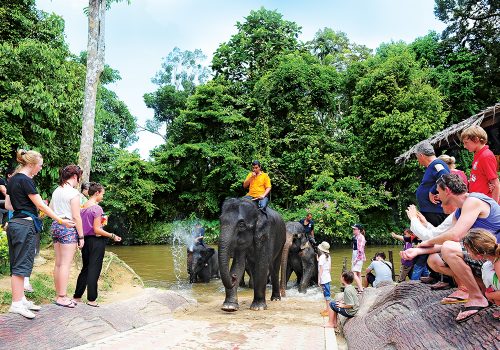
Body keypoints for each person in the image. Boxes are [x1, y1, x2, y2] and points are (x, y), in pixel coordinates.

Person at [402, 174, 500, 322]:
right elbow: (449, 239)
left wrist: (427, 242)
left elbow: (454, 236)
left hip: (496, 256)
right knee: (434, 259)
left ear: (447, 190)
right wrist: (418, 250)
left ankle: (477, 297)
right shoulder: (460, 211)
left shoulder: (473, 201)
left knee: (448, 249)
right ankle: (483, 291)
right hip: (484, 258)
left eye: (438, 192)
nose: (437, 196)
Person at [4, 149, 75, 318]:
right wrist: (61, 220)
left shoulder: (13, 179)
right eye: (40, 166)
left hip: (14, 224)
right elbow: (42, 207)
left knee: (18, 263)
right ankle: (16, 303)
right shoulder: (26, 180)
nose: (40, 169)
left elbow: (8, 205)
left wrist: (24, 205)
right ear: (31, 164)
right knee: (21, 265)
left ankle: (20, 299)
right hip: (24, 226)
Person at [73, 182, 121, 307]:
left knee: (86, 268)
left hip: (86, 240)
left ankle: (77, 297)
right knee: (94, 269)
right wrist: (112, 236)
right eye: (102, 194)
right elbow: (97, 230)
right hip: (96, 241)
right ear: (97, 193)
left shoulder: (83, 207)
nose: (103, 197)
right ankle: (91, 299)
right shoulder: (97, 208)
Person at [50, 165, 84, 308]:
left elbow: (50, 209)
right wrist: (81, 237)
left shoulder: (57, 191)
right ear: (75, 177)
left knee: (58, 263)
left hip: (56, 225)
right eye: (79, 178)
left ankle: (59, 295)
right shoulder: (73, 193)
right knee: (65, 264)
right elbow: (76, 216)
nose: (78, 181)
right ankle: (62, 297)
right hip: (68, 227)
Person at [462, 228, 500, 320]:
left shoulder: (498, 262)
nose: (468, 253)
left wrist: (489, 295)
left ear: (478, 254)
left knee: (488, 272)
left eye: (468, 250)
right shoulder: (493, 259)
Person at [461, 125, 499, 202]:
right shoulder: (478, 154)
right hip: (479, 200)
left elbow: (496, 184)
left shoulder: (486, 156)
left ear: (476, 139)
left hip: (486, 202)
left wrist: (494, 207)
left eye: (466, 142)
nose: (464, 146)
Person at [317, 241, 332, 317]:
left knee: (326, 295)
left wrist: (319, 279)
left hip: (323, 278)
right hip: (327, 277)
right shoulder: (328, 256)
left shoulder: (322, 257)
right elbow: (329, 268)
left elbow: (321, 269)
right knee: (327, 294)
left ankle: (329, 311)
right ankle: (327, 309)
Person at [351, 224, 366, 293]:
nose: (353, 230)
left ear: (359, 230)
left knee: (353, 273)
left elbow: (360, 250)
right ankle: (359, 288)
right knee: (358, 273)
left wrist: (356, 260)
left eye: (355, 229)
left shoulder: (361, 237)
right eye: (353, 229)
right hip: (356, 256)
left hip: (358, 257)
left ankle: (361, 289)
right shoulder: (356, 236)